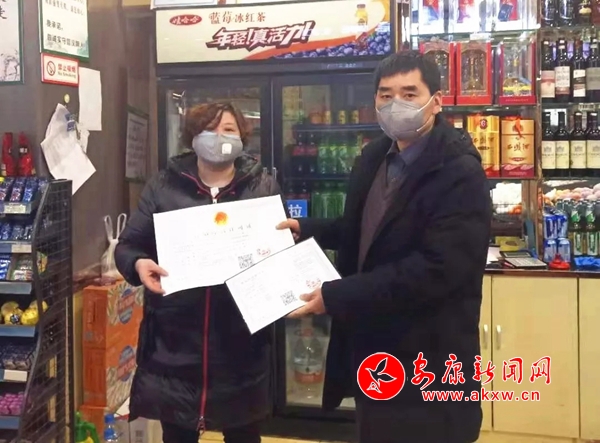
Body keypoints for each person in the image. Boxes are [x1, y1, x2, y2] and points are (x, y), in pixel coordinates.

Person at [278, 51, 492, 443]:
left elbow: (436, 269)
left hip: (428, 353)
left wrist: (337, 295)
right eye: (385, 95)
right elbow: (364, 228)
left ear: (436, 102)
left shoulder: (459, 171)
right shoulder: (375, 156)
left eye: (409, 94)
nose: (396, 105)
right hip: (373, 346)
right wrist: (306, 229)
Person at [115, 102, 279, 443]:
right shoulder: (163, 186)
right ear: (192, 137)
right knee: (177, 436)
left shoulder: (262, 186)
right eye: (209, 129)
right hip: (174, 345)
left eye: (229, 130)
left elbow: (278, 253)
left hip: (241, 346)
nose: (219, 137)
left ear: (242, 137)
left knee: (244, 436)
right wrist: (138, 264)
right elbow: (128, 245)